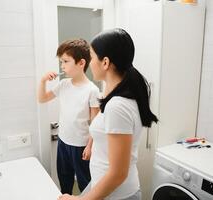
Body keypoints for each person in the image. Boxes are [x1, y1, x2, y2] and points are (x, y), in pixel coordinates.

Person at [58, 29, 158, 200]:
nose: (89, 63)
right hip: (105, 187)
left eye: (92, 57)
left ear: (105, 62)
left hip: (118, 195)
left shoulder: (117, 106)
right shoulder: (117, 96)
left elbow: (118, 173)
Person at [38, 39, 100, 194]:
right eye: (61, 62)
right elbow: (42, 99)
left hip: (81, 146)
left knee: (85, 184)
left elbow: (96, 122)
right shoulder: (64, 84)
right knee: (64, 181)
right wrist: (43, 80)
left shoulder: (92, 90)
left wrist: (90, 146)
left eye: (65, 61)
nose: (62, 66)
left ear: (81, 63)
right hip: (63, 142)